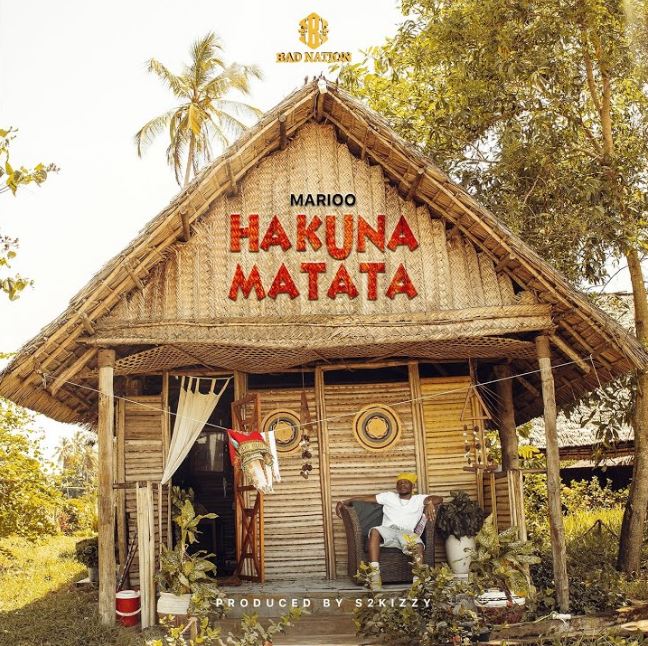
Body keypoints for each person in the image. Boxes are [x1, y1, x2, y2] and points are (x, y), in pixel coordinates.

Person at [336, 472, 442, 590]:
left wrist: (429, 503)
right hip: (388, 530)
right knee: (375, 531)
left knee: (418, 545)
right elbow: (364, 499)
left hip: (407, 533)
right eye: (399, 483)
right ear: (396, 487)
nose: (402, 485)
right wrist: (344, 502)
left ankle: (418, 582)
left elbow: (439, 498)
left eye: (406, 482)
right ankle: (375, 577)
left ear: (413, 486)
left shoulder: (419, 499)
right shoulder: (388, 497)